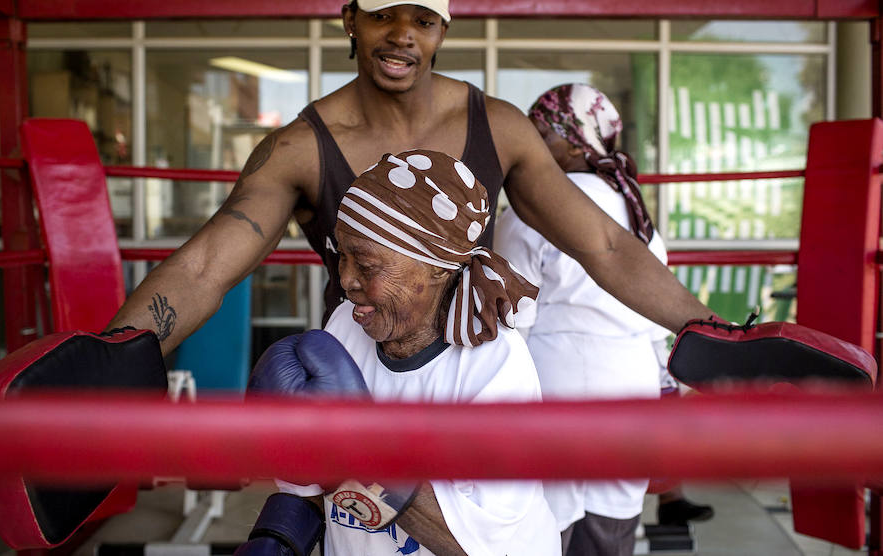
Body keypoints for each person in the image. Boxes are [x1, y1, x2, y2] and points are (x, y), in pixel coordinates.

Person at [103, 0, 713, 354]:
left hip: (477, 369)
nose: (402, 35)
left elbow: (603, 245)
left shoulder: (496, 127)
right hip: (360, 369)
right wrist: (112, 361)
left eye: (422, 20)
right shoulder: (301, 147)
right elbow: (203, 268)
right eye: (384, 16)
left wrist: (710, 333)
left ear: (442, 31)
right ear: (350, 21)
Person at [242, 149, 560, 555]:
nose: (346, 279)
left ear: (438, 268)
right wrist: (280, 535)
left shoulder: (495, 364)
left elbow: (477, 545)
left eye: (368, 266)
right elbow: (317, 476)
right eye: (343, 256)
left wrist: (359, 449)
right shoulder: (345, 324)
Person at [492, 83, 709, 555]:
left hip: (555, 375)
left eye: (539, 132)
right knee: (614, 521)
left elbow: (511, 314)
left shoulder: (536, 204)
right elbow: (656, 307)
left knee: (545, 524)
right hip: (630, 378)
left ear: (573, 139)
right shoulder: (632, 205)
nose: (528, 142)